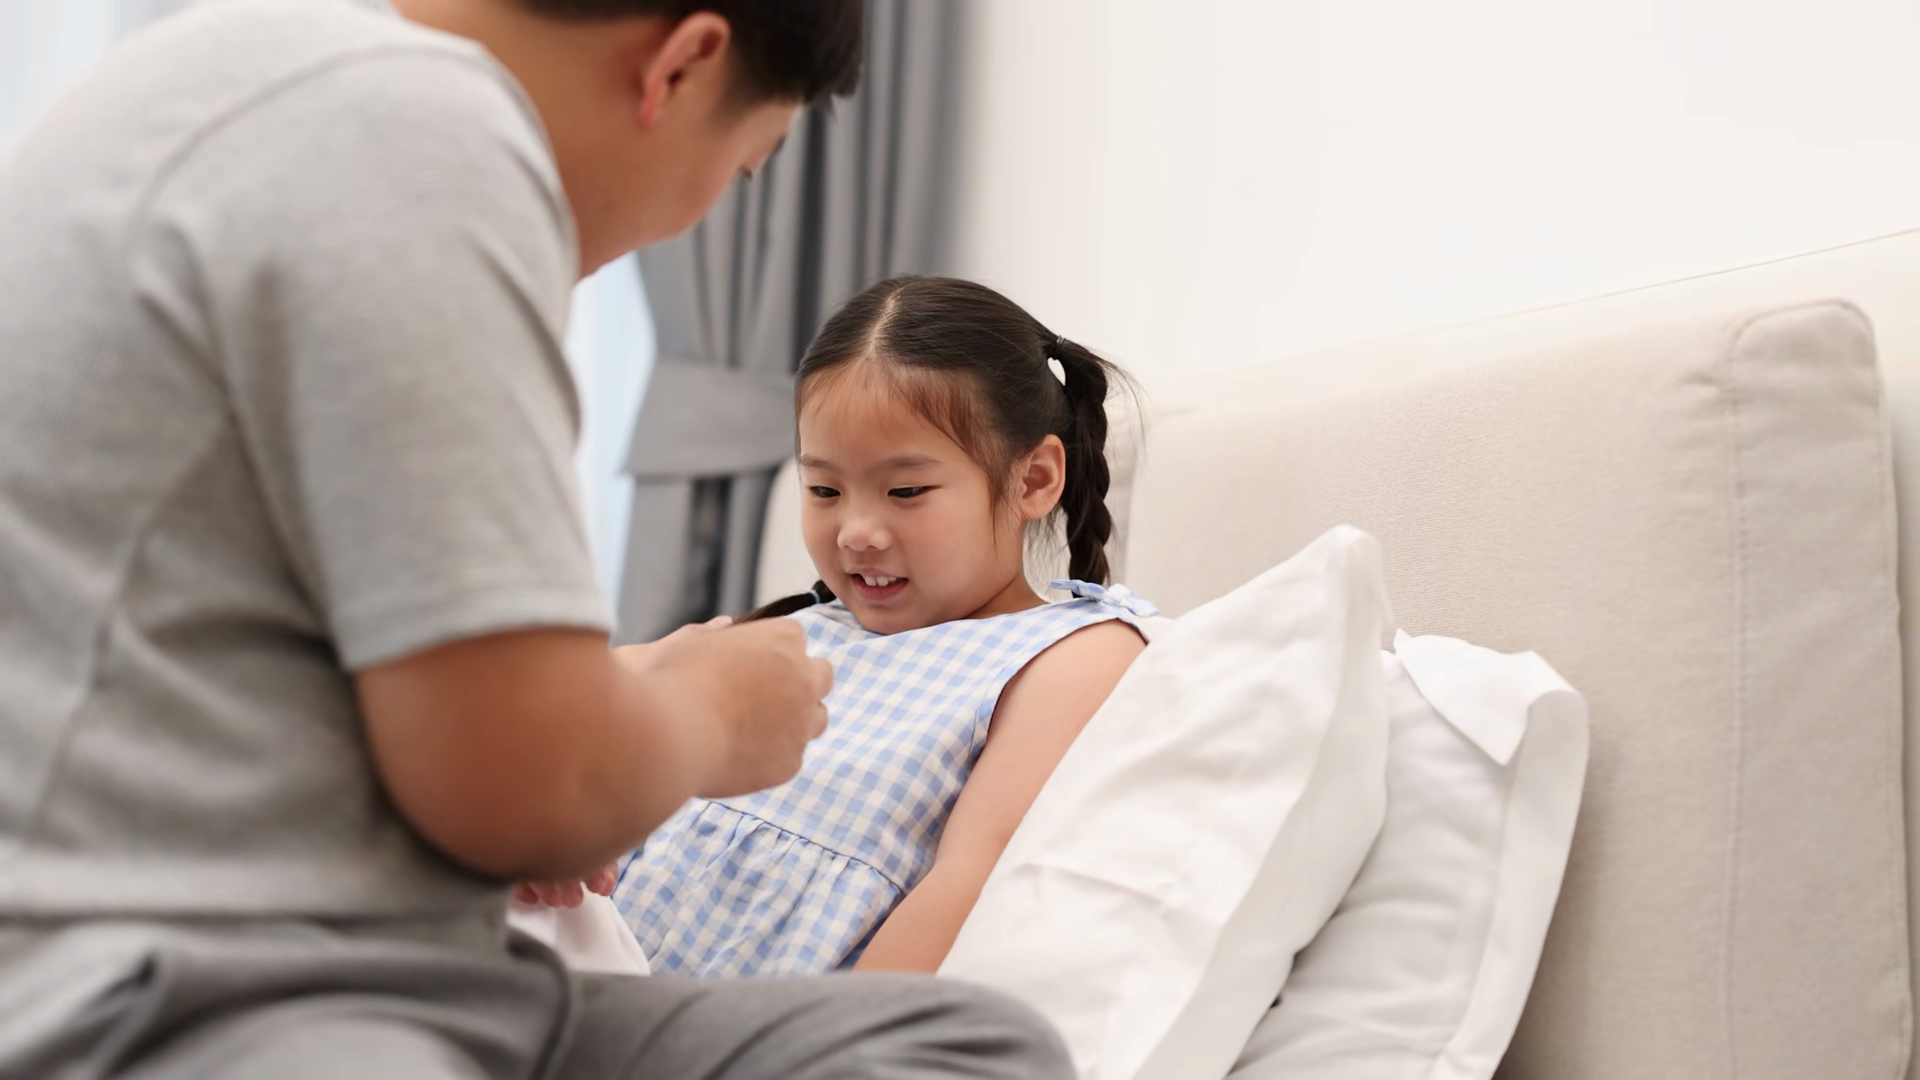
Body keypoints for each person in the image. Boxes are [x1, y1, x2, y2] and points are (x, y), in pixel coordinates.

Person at [0, 0, 1071, 1077]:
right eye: (741, 168)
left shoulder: (243, 68)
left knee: (973, 1041)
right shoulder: (415, 142)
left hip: (389, 962)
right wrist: (709, 714)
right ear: (682, 66)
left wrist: (584, 753)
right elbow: (521, 788)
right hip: (180, 993)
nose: (692, 218)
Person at [604, 275, 1154, 975]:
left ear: (1035, 480)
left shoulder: (1069, 652)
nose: (855, 532)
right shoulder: (794, 631)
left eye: (905, 491)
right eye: (824, 489)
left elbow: (968, 888)